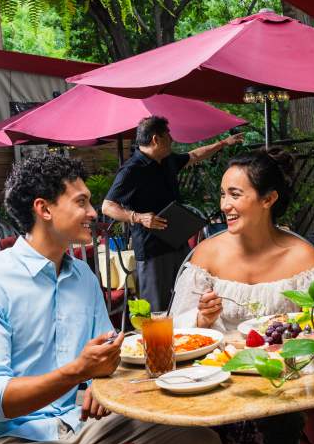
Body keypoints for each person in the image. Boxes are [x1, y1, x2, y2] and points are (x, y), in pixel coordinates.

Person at [0, 154, 223, 444]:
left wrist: (100, 378)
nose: (92, 211)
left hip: (83, 431)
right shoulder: (0, 280)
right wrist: (74, 374)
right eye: (81, 201)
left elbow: (107, 359)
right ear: (43, 209)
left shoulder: (82, 275)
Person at [171, 147, 314, 444]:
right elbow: (176, 328)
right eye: (222, 195)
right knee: (213, 433)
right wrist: (200, 320)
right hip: (214, 383)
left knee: (267, 429)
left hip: (280, 385)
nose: (224, 205)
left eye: (235, 194)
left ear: (268, 199)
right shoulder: (205, 256)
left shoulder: (302, 256)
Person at [103, 115, 243, 311]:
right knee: (157, 308)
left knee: (189, 296)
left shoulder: (166, 160)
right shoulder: (131, 170)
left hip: (177, 240)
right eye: (168, 135)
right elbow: (107, 206)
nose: (172, 139)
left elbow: (194, 155)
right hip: (152, 248)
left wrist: (223, 143)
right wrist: (137, 217)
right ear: (155, 139)